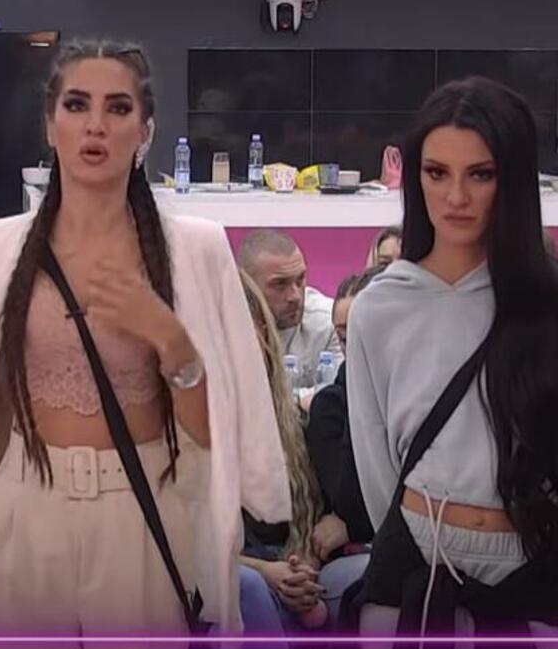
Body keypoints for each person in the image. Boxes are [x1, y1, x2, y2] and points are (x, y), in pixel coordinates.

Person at [0, 40, 290, 639]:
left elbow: (214, 433)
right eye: (76, 105)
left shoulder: (194, 249)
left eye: (118, 108)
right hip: (20, 509)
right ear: (50, 124)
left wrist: (168, 336)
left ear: (145, 130)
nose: (95, 125)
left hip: (140, 512)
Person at [346, 76, 558, 643]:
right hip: (416, 565)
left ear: (512, 181)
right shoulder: (380, 308)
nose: (456, 197)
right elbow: (377, 471)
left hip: (531, 569)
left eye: (480, 174)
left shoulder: (544, 304)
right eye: (437, 172)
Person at [236, 271, 369, 642]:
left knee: (367, 578)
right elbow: (187, 546)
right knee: (249, 588)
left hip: (295, 562)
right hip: (239, 569)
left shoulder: (294, 418)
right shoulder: (183, 429)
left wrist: (302, 567)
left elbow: (322, 512)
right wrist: (267, 572)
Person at [306, 267, 383, 563]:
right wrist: (361, 393)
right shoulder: (331, 405)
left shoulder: (421, 393)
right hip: (365, 554)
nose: (354, 345)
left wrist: (352, 527)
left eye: (364, 332)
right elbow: (349, 504)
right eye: (343, 336)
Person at [239, 229, 341, 393]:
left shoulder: (329, 320)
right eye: (280, 284)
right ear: (247, 286)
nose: (295, 296)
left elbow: (340, 393)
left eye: (300, 279)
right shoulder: (225, 329)